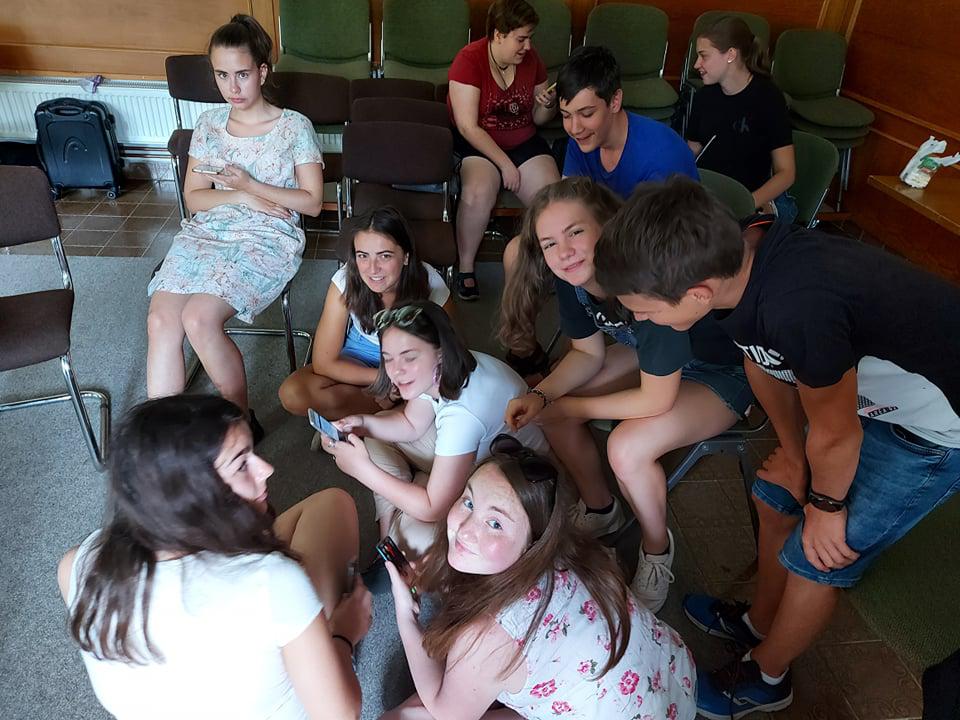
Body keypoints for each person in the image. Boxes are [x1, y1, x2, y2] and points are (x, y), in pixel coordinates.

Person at [594, 175, 960, 717]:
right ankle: (758, 622)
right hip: (864, 404)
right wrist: (791, 453)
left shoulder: (797, 305)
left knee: (819, 555)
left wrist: (827, 507)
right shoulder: (735, 258)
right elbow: (760, 360)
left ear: (697, 294)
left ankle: (767, 676)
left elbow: (837, 434)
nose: (639, 320)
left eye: (644, 311)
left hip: (933, 427)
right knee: (775, 497)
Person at [500, 178, 751, 612]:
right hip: (652, 358)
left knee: (626, 448)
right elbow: (587, 353)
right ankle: (601, 509)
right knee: (552, 411)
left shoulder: (644, 280)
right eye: (549, 244)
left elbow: (656, 400)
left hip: (719, 372)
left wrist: (570, 404)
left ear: (608, 225)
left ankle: (656, 549)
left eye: (576, 232)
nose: (564, 252)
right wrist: (542, 395)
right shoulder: (575, 277)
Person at [58, 394, 372, 720]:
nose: (267, 469)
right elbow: (340, 715)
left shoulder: (78, 565)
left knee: (325, 508)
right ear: (190, 494)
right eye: (241, 464)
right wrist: (343, 633)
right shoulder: (274, 582)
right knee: (333, 508)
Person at [381, 435, 697, 720]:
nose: (464, 530)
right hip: (674, 674)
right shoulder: (565, 550)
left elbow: (447, 713)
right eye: (469, 502)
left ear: (531, 542)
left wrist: (406, 616)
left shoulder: (486, 638)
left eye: (495, 523)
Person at [146, 14, 324, 438]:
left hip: (268, 235)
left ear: (262, 71)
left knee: (199, 318)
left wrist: (251, 185)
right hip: (209, 230)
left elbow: (313, 203)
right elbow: (195, 197)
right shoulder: (209, 125)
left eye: (242, 74)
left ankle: (240, 426)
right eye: (222, 75)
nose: (233, 87)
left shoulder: (294, 127)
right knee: (161, 321)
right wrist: (241, 196)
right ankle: (163, 442)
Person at [501, 45, 698, 377]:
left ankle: (584, 350)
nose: (575, 127)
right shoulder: (583, 142)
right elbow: (565, 206)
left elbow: (650, 248)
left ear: (615, 101)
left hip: (657, 261)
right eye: (566, 115)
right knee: (516, 251)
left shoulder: (661, 156)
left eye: (586, 113)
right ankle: (526, 351)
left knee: (573, 254)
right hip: (603, 242)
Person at [318, 300, 547, 559]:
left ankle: (402, 518)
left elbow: (432, 508)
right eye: (388, 359)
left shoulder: (462, 415)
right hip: (479, 457)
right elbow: (411, 424)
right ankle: (390, 529)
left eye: (409, 357)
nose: (396, 371)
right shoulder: (441, 369)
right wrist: (361, 423)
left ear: (439, 352)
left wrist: (361, 470)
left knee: (413, 542)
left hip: (512, 484)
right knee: (373, 432)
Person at [278, 207, 453, 421]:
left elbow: (451, 355)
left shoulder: (430, 282)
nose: (372, 269)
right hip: (360, 354)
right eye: (363, 256)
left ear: (406, 256)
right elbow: (324, 362)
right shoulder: (345, 279)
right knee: (293, 393)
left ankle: (373, 413)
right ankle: (390, 412)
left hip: (409, 361)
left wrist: (403, 376)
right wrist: (384, 380)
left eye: (384, 256)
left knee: (443, 392)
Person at [447, 0, 560, 301]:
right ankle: (465, 267)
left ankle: (542, 264)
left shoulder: (531, 60)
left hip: (523, 139)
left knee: (552, 197)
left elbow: (538, 120)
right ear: (499, 35)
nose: (528, 46)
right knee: (478, 191)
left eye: (530, 38)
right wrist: (505, 164)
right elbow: (467, 126)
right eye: (521, 39)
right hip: (479, 142)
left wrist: (547, 106)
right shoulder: (469, 60)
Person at [687, 16, 797, 222]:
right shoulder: (705, 96)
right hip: (710, 198)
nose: (696, 64)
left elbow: (786, 172)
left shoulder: (768, 98)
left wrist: (746, 202)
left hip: (749, 198)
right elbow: (691, 150)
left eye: (704, 56)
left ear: (730, 54)